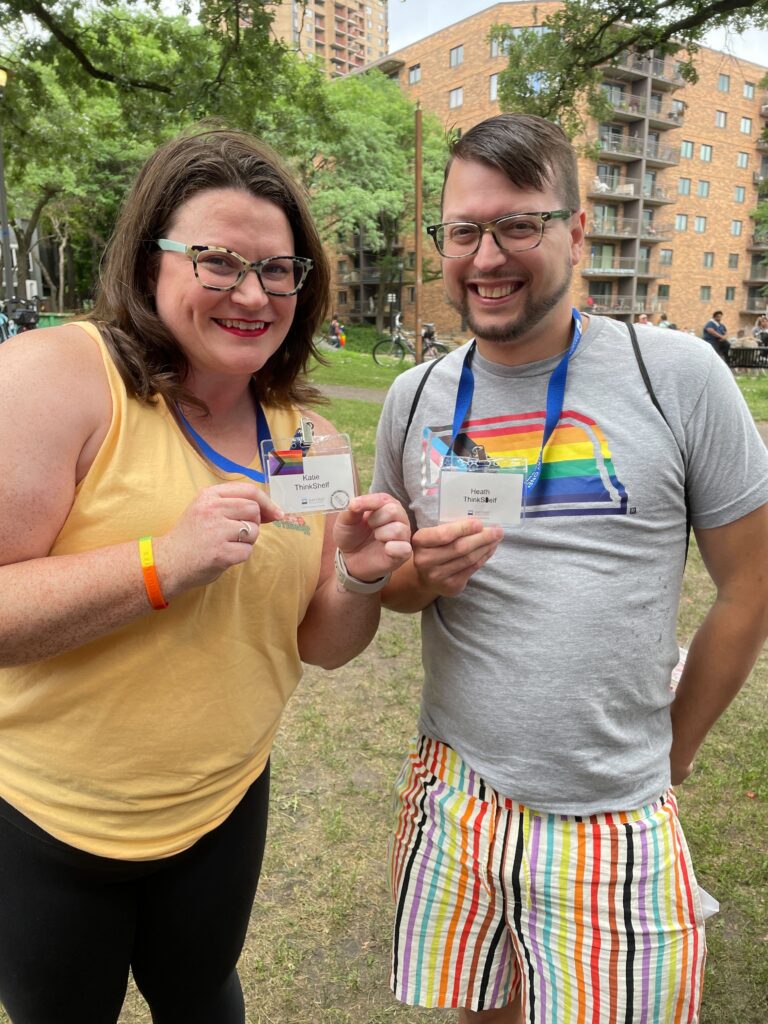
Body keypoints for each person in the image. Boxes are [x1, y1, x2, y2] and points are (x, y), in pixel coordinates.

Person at [0, 127, 411, 1024]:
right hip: (50, 824)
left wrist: (363, 579)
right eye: (218, 261)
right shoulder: (56, 377)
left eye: (279, 270)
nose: (253, 294)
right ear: (152, 260)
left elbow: (319, 646)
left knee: (202, 994)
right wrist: (163, 562)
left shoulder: (313, 440)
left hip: (223, 805)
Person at [372, 113, 768, 1024]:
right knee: (480, 1011)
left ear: (577, 231)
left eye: (519, 225)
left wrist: (674, 750)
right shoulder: (415, 397)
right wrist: (421, 579)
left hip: (617, 809)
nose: (486, 257)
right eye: (464, 231)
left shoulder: (677, 375)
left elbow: (751, 584)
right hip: (457, 789)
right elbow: (392, 591)